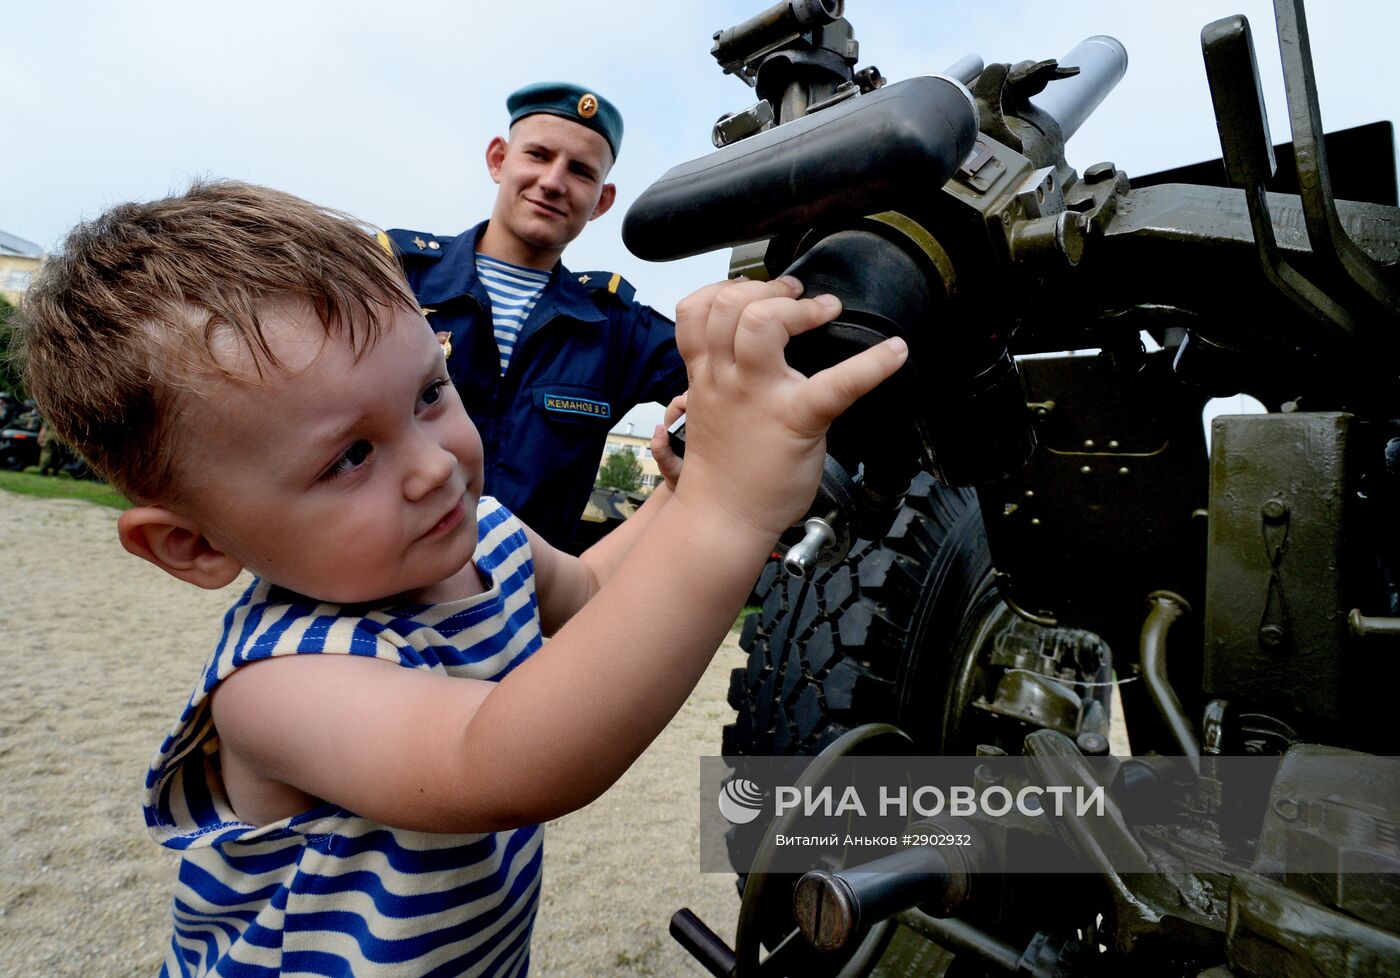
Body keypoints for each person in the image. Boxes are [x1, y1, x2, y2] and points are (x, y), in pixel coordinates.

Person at [17, 180, 907, 977]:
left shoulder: (481, 533)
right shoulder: (276, 686)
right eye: (350, 457)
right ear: (193, 545)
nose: (435, 467)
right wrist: (729, 513)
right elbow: (500, 760)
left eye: (430, 395)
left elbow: (593, 598)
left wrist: (686, 487)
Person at [387, 82, 686, 550]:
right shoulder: (393, 277)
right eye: (539, 155)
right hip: (368, 592)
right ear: (498, 159)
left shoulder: (617, 329)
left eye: (581, 172)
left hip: (519, 607)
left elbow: (739, 376)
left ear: (602, 202)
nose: (553, 181)